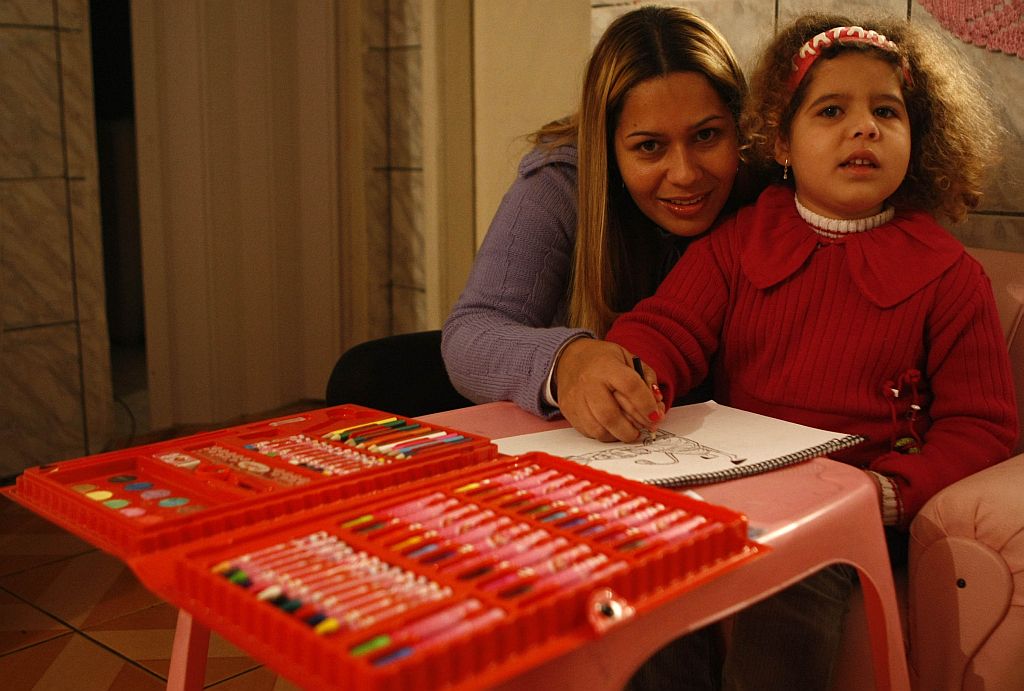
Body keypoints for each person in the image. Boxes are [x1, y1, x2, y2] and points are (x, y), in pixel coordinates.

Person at [580, 12, 1018, 689]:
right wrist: (629, 367)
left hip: (848, 508)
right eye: (832, 110)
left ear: (917, 137)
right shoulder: (738, 240)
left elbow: (982, 428)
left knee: (788, 582)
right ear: (781, 140)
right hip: (729, 485)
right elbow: (668, 327)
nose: (864, 127)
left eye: (887, 112)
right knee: (649, 576)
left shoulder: (947, 275)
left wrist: (890, 493)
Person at [441, 6, 757, 430]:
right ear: (605, 147)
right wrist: (567, 361)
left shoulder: (769, 192)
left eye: (706, 135)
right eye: (649, 146)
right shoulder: (560, 183)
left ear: (741, 128)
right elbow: (469, 334)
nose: (684, 174)